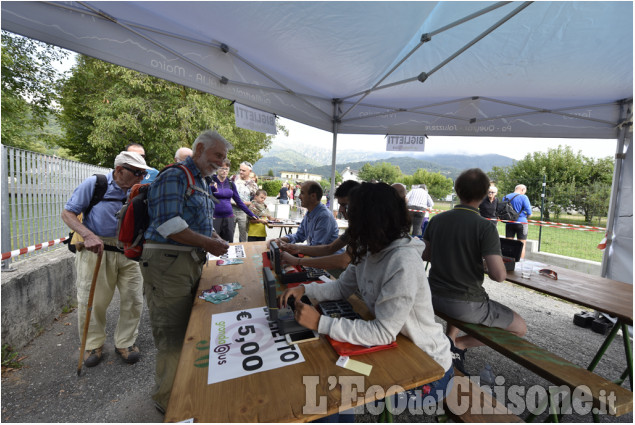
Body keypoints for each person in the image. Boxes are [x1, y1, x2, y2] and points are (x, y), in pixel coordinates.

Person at [279, 182, 454, 414]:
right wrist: (305, 289)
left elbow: (382, 332)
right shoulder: (369, 246)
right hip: (397, 347)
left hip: (428, 367)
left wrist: (320, 323)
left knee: (331, 388)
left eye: (350, 211)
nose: (344, 215)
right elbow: (342, 287)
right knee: (329, 381)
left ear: (369, 218)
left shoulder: (403, 261)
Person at [141, 130, 231, 414]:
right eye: (218, 155)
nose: (221, 162)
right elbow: (169, 225)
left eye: (224, 158)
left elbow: (199, 223)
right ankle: (169, 402)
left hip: (188, 261)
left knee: (189, 328)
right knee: (173, 333)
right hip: (169, 262)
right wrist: (208, 243)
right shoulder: (175, 175)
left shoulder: (200, 181)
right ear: (200, 149)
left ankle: (184, 390)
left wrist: (214, 239)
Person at [422, 168, 527, 373]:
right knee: (520, 328)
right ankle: (460, 345)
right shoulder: (485, 227)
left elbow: (426, 255)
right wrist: (482, 263)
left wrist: (455, 255)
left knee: (459, 304)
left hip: (432, 296)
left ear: (457, 191)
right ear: (484, 195)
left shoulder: (437, 219)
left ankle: (449, 343)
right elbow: (499, 276)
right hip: (466, 303)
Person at [61, 151, 151, 368]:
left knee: (134, 298)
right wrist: (89, 236)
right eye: (137, 172)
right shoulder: (96, 184)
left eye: (143, 173)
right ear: (119, 170)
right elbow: (68, 213)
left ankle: (126, 342)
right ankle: (93, 344)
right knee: (94, 301)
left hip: (131, 250)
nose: (141, 177)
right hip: (98, 249)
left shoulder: (141, 190)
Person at [279, 180, 360, 273]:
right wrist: (289, 243)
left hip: (333, 267)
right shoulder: (354, 229)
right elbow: (329, 248)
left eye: (345, 205)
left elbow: (343, 261)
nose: (341, 210)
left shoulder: (324, 216)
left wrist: (297, 259)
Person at [268, 181, 340, 252]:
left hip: (328, 260)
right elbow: (299, 235)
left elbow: (316, 248)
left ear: (313, 196)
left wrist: (290, 246)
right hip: (317, 258)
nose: (299, 197)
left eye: (302, 193)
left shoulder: (324, 216)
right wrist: (280, 239)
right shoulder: (310, 213)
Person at [211, 159, 257, 242]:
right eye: (222, 168)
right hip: (215, 217)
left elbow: (239, 201)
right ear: (217, 168)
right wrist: (211, 188)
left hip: (229, 218)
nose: (224, 171)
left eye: (226, 169)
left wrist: (251, 214)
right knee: (214, 243)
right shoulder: (211, 181)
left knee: (228, 245)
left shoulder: (231, 183)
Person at [231, 161, 258, 242]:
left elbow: (255, 201)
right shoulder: (233, 178)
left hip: (244, 212)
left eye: (243, 170)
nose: (241, 172)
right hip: (230, 210)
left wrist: (243, 204)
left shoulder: (253, 184)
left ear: (250, 171)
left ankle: (243, 252)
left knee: (243, 236)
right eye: (240, 170)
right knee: (228, 233)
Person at [503, 184, 532, 258]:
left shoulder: (505, 197)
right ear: (522, 189)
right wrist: (527, 217)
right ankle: (520, 264)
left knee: (508, 244)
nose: (524, 193)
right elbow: (529, 213)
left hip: (509, 223)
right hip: (521, 223)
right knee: (521, 245)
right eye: (524, 191)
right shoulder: (523, 197)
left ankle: (508, 263)